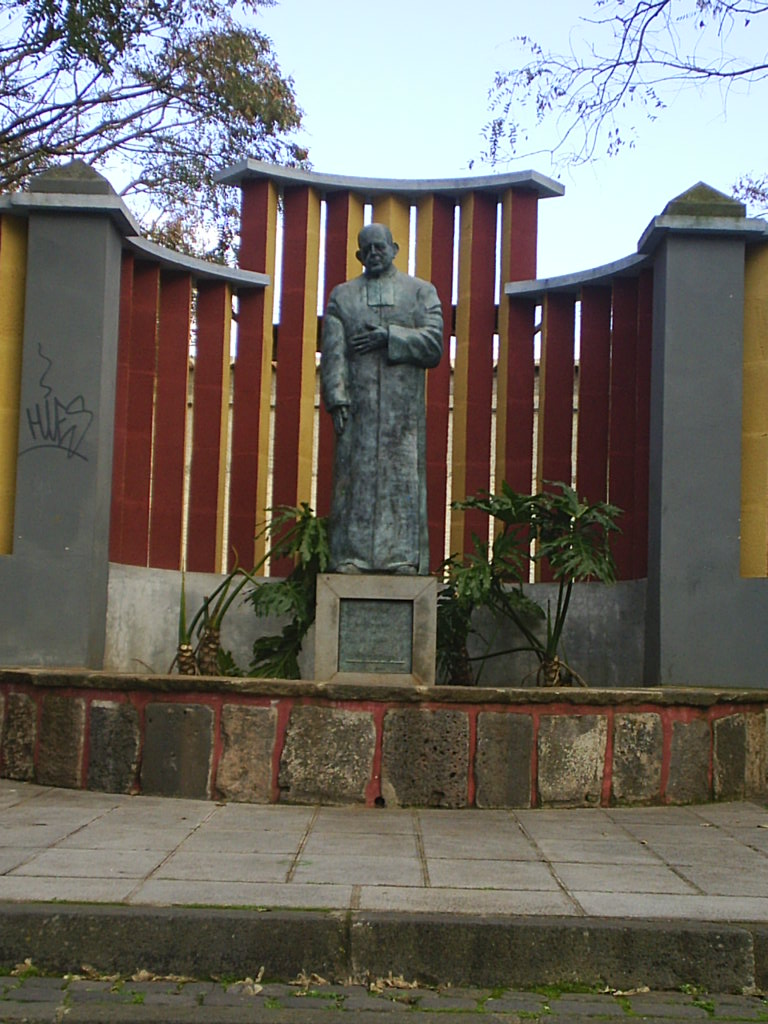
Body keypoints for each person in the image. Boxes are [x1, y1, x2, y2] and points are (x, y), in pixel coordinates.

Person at [321, 223, 443, 575]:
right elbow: (333, 352)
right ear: (359, 255)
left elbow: (434, 344)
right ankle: (350, 557)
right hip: (358, 412)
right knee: (354, 482)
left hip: (402, 415)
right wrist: (336, 397)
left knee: (401, 481)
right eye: (368, 249)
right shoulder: (342, 296)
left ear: (395, 249)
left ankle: (403, 558)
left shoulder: (420, 292)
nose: (374, 253)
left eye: (380, 247)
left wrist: (390, 337)